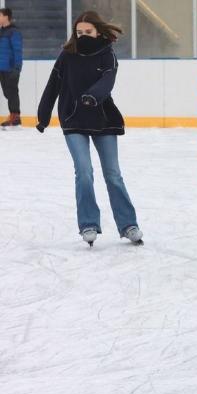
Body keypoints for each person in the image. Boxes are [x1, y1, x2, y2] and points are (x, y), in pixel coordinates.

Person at [36, 11, 143, 247]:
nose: (83, 36)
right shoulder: (67, 55)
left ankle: (128, 225)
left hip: (102, 118)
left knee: (113, 174)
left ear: (98, 31)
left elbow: (107, 81)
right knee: (83, 172)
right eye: (79, 32)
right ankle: (88, 224)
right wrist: (43, 116)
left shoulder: (107, 54)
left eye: (88, 32)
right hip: (73, 118)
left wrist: (92, 97)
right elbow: (52, 85)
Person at [0, 8, 22, 129]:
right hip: (2, 68)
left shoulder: (13, 32)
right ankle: (14, 116)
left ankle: (15, 118)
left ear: (6, 17)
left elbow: (17, 51)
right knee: (7, 93)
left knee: (12, 92)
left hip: (11, 68)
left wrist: (17, 68)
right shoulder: (1, 32)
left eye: (0, 16)